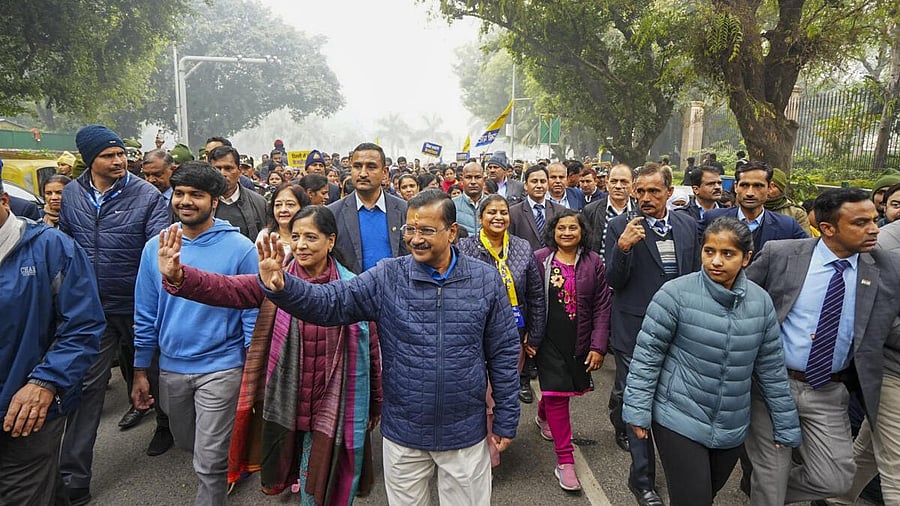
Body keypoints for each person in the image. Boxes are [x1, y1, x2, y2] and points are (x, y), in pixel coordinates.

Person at [257, 190, 520, 506]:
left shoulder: (485, 280)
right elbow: (331, 302)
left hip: (464, 433)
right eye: (410, 229)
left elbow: (504, 351)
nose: (415, 238)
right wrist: (283, 287)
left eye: (426, 230)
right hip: (404, 434)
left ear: (452, 232)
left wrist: (506, 415)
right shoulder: (387, 276)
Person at [156, 206, 383, 504]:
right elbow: (227, 288)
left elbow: (374, 355)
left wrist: (376, 403)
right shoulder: (275, 280)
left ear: (330, 241)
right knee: (292, 464)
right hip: (287, 400)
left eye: (311, 237)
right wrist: (179, 275)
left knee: (323, 480)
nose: (301, 245)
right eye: (296, 236)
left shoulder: (353, 287)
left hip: (336, 403)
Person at [623, 217, 801, 505]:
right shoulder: (675, 294)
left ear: (747, 259)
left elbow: (770, 367)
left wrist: (785, 422)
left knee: (704, 495)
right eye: (709, 251)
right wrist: (637, 411)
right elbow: (646, 356)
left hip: (732, 423)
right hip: (678, 417)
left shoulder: (761, 302)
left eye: (727, 254)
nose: (716, 261)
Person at [743, 188, 900, 505]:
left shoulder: (888, 268)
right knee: (771, 479)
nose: (874, 228)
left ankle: (764, 490)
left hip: (830, 391)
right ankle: (767, 489)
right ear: (828, 228)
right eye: (860, 223)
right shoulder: (782, 254)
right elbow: (738, 300)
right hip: (774, 386)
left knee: (836, 478)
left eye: (873, 219)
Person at [132, 161, 259, 505]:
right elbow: (145, 312)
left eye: (196, 195)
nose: (185, 201)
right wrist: (140, 370)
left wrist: (250, 369)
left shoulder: (241, 248)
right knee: (187, 441)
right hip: (171, 367)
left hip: (223, 368)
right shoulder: (155, 248)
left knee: (209, 460)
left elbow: (251, 309)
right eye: (180, 193)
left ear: (214, 201)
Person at [58, 125, 171, 504]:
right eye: (109, 155)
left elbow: (157, 251)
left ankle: (165, 425)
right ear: (90, 160)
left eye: (121, 153)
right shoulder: (72, 195)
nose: (119, 160)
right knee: (88, 387)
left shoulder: (148, 196)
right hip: (93, 310)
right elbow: (67, 247)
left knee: (152, 373)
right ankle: (74, 479)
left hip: (140, 305)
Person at [0, 173, 104, 505]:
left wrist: (45, 382)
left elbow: (84, 324)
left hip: (27, 410)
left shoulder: (51, 248)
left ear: (4, 202)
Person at [605, 164, 701, 506]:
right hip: (636, 334)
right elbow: (613, 281)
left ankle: (681, 473)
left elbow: (695, 279)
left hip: (681, 333)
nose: (645, 198)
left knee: (676, 403)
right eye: (640, 191)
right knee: (638, 404)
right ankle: (642, 480)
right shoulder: (620, 226)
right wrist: (624, 247)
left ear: (669, 192)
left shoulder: (688, 226)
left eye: (653, 192)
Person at [533, 210, 611, 492]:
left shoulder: (594, 262)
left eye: (573, 228)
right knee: (557, 394)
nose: (566, 232)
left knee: (561, 392)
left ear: (582, 232)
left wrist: (598, 345)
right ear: (553, 231)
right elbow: (532, 298)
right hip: (548, 340)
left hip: (579, 340)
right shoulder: (540, 258)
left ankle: (542, 415)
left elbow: (603, 305)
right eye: (561, 228)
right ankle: (565, 460)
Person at [830, 217, 900, 504]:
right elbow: (872, 314)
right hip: (890, 371)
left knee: (870, 452)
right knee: (897, 468)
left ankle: (833, 499)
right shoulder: (884, 244)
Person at [458, 194, 545, 407]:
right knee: (479, 392)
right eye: (492, 212)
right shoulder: (464, 248)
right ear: (480, 218)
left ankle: (500, 435)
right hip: (475, 333)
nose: (498, 217)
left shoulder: (523, 248)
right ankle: (482, 436)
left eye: (503, 213)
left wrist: (534, 336)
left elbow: (535, 294)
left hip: (513, 333)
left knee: (505, 389)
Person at [327, 142, 407, 274]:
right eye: (357, 166)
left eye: (371, 167)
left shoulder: (404, 210)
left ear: (385, 172)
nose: (363, 173)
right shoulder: (333, 213)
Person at [699, 161, 807, 257]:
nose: (750, 193)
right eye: (744, 185)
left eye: (758, 186)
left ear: (769, 188)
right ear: (736, 187)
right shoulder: (712, 219)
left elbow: (806, 255)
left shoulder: (787, 226)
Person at [208, 145, 268, 240]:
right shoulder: (199, 203)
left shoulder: (259, 203)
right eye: (217, 169)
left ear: (239, 170)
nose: (223, 174)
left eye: (228, 168)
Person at [583, 163, 637, 257]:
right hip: (599, 269)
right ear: (607, 184)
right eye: (614, 181)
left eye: (624, 182)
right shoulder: (591, 210)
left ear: (633, 186)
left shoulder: (639, 212)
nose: (618, 186)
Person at [508, 165, 565, 251]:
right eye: (534, 181)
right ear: (526, 185)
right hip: (524, 262)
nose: (539, 185)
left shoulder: (560, 211)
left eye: (543, 181)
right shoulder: (513, 213)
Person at [258, 183, 311, 256]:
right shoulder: (265, 236)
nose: (283, 210)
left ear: (303, 207)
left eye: (290, 204)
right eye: (278, 205)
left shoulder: (312, 237)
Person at [764, 168, 813, 236]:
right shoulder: (752, 208)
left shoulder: (796, 213)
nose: (768, 190)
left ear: (781, 189)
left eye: (773, 186)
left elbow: (804, 243)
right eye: (764, 185)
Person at [452, 161, 488, 235]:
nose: (473, 182)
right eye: (468, 177)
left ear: (484, 180)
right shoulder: (452, 205)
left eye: (478, 177)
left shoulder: (491, 204)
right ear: (462, 180)